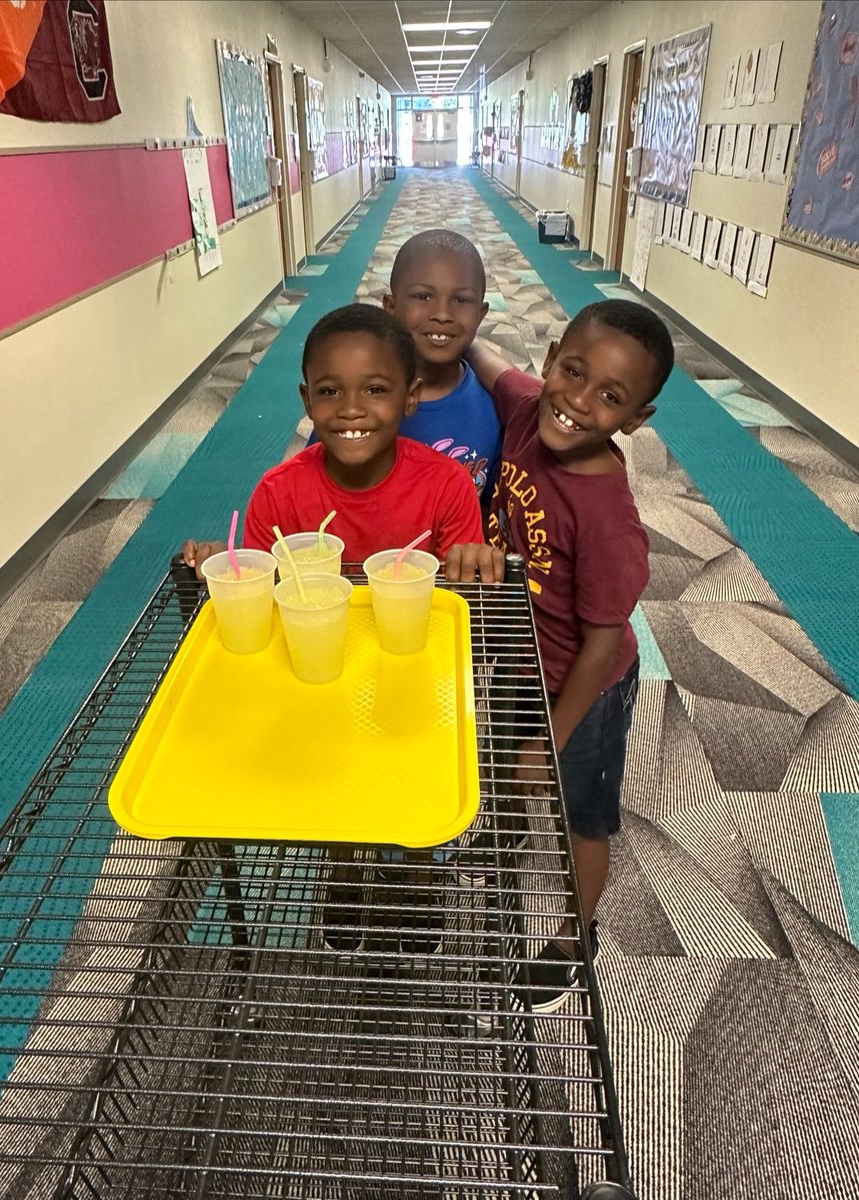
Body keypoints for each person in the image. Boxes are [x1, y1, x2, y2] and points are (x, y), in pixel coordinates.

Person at [445, 299, 675, 1011]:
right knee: (506, 759)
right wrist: (457, 335)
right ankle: (505, 840)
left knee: (583, 814)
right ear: (548, 361)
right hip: (521, 655)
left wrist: (557, 737)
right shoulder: (524, 407)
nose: (577, 401)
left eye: (610, 397)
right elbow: (491, 366)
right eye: (571, 372)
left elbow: (603, 639)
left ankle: (577, 938)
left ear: (636, 419)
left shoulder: (608, 521)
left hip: (589, 685)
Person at [182, 303, 483, 574]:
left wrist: (474, 567)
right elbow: (264, 602)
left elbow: (464, 601)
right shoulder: (276, 495)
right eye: (329, 392)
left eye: (375, 390)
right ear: (308, 401)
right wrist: (230, 570)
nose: (351, 410)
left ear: (410, 397)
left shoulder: (449, 486)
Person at [307, 230, 502, 510]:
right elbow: (310, 488)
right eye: (423, 296)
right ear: (391, 307)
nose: (442, 314)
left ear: (481, 314)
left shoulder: (493, 407)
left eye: (461, 300)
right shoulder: (352, 406)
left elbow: (492, 510)